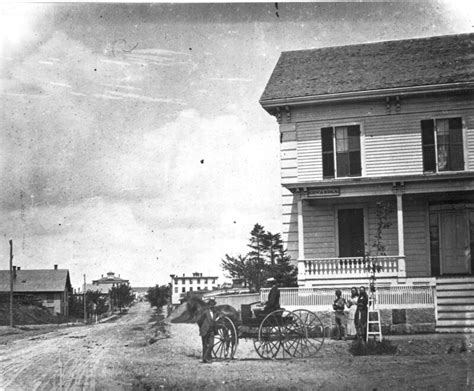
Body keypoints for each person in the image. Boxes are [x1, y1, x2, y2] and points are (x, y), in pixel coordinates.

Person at [197, 299, 216, 363]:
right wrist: (202, 328)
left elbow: (215, 321)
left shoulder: (214, 313)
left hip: (211, 331)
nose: (212, 306)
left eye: (213, 305)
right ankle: (205, 359)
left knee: (211, 344)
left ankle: (206, 358)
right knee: (205, 345)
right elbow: (199, 320)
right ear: (208, 305)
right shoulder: (205, 312)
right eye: (211, 305)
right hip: (205, 330)